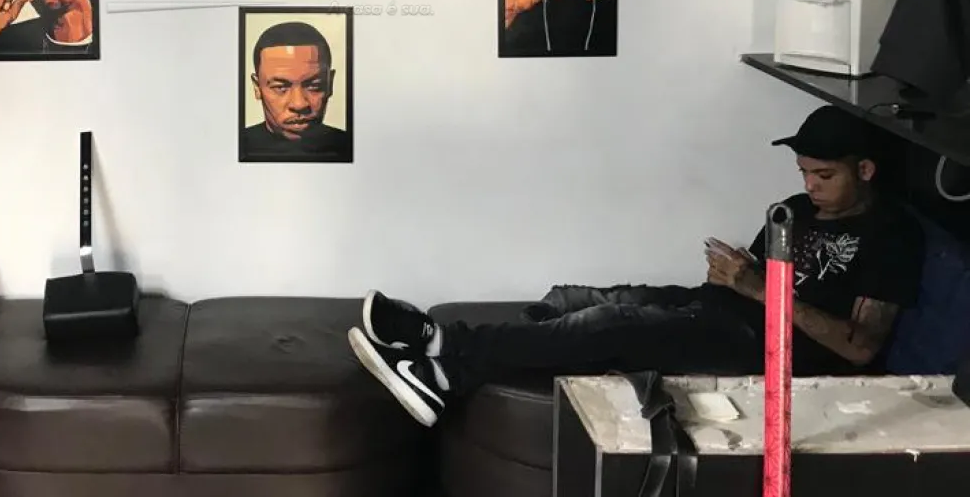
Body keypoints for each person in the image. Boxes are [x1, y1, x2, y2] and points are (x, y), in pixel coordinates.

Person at [348, 105, 925, 427]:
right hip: (724, 312)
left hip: (767, 351)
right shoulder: (794, 210)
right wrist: (734, 276)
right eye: (804, 173)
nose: (809, 186)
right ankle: (449, 369)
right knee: (574, 299)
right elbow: (755, 284)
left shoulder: (892, 236)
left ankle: (445, 356)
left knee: (612, 325)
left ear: (865, 170)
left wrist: (753, 286)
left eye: (823, 176)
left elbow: (858, 348)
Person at [241, 20, 351, 161]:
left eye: (314, 86)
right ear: (257, 87)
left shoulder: (353, 147)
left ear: (330, 84)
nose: (299, 104)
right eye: (280, 87)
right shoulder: (234, 147)